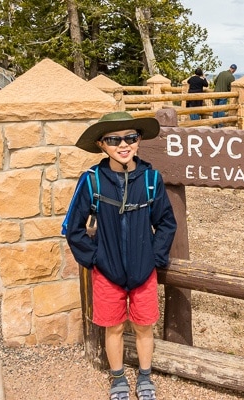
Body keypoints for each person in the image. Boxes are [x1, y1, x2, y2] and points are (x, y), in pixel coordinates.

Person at [65, 111, 177, 400]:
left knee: (144, 326)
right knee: (113, 328)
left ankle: (144, 376)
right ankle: (117, 379)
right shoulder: (93, 181)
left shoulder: (151, 179)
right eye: (114, 139)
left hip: (143, 272)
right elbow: (73, 228)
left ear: (139, 141)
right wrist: (95, 258)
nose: (123, 144)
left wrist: (154, 257)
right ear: (102, 144)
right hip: (107, 272)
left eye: (130, 137)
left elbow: (165, 222)